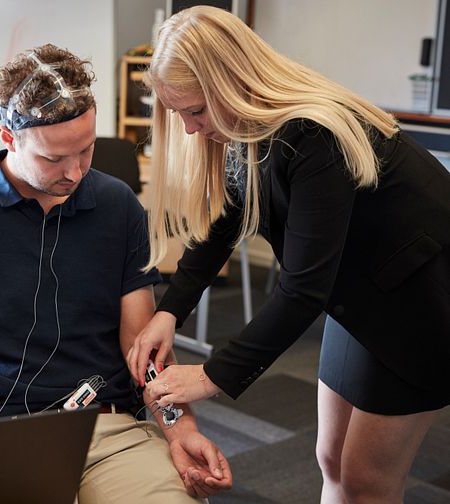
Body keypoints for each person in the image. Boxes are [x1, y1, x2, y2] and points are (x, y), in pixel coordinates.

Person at [125, 6, 450, 504]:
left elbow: (300, 290)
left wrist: (210, 375)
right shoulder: (246, 129)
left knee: (366, 478)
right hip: (359, 294)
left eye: (195, 111)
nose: (190, 129)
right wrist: (170, 311)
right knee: (331, 458)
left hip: (417, 303)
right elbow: (222, 226)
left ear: (230, 83)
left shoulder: (313, 134)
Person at [0, 43, 232, 502]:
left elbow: (142, 345)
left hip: (106, 427)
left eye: (86, 150)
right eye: (53, 158)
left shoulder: (119, 207)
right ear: (8, 136)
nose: (74, 172)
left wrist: (180, 430)